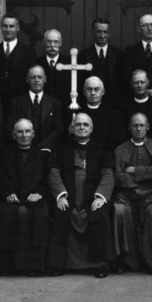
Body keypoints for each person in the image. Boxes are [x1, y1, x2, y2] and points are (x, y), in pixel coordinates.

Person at [47, 112, 116, 277]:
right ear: (71, 128)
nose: (82, 127)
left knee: (100, 217)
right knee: (61, 215)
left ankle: (99, 264)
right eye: (78, 124)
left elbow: (108, 175)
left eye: (85, 125)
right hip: (68, 195)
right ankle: (59, 263)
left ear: (91, 128)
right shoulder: (61, 149)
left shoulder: (102, 150)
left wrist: (100, 197)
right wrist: (61, 195)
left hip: (93, 196)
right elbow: (53, 173)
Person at [111, 113, 152, 274]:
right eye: (135, 125)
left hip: (151, 196)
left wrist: (134, 171)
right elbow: (117, 176)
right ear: (129, 127)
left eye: (142, 125)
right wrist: (143, 177)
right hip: (126, 196)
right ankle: (125, 260)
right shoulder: (120, 149)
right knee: (119, 211)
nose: (138, 129)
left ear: (148, 126)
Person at [0, 118, 51, 275]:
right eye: (20, 131)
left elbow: (48, 179)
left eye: (27, 131)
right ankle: (11, 266)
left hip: (36, 198)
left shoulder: (43, 155)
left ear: (33, 134)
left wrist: (40, 193)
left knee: (39, 216)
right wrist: (7, 192)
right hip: (11, 199)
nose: (24, 135)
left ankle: (34, 266)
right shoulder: (5, 154)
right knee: (12, 215)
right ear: (14, 135)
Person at [5, 65, 63, 151]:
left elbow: (58, 129)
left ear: (45, 79)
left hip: (46, 150)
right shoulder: (16, 102)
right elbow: (11, 127)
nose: (36, 80)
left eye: (40, 77)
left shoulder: (55, 103)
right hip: (22, 150)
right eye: (33, 77)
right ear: (27, 80)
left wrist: (43, 146)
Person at [0, 13, 34, 109]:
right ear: (1, 27)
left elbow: (31, 78)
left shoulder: (29, 52)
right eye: (5, 26)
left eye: (11, 26)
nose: (8, 29)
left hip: (21, 102)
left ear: (18, 28)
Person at [121, 13, 152, 98]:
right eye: (145, 25)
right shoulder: (130, 51)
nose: (149, 28)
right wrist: (144, 91)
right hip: (135, 97)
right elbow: (126, 77)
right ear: (138, 29)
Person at [75, 75, 125, 149]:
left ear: (103, 92)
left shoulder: (113, 115)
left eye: (96, 89)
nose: (93, 93)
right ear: (84, 92)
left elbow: (117, 141)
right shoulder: (77, 112)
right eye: (89, 89)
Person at [80, 17, 125, 98]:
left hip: (113, 102)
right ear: (93, 32)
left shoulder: (118, 55)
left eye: (105, 32)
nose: (102, 36)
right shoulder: (84, 55)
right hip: (91, 99)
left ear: (109, 33)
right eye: (98, 32)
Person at [37, 28, 71, 106]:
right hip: (43, 106)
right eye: (49, 41)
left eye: (56, 42)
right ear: (43, 43)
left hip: (64, 107)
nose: (52, 45)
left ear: (60, 43)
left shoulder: (69, 64)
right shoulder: (37, 63)